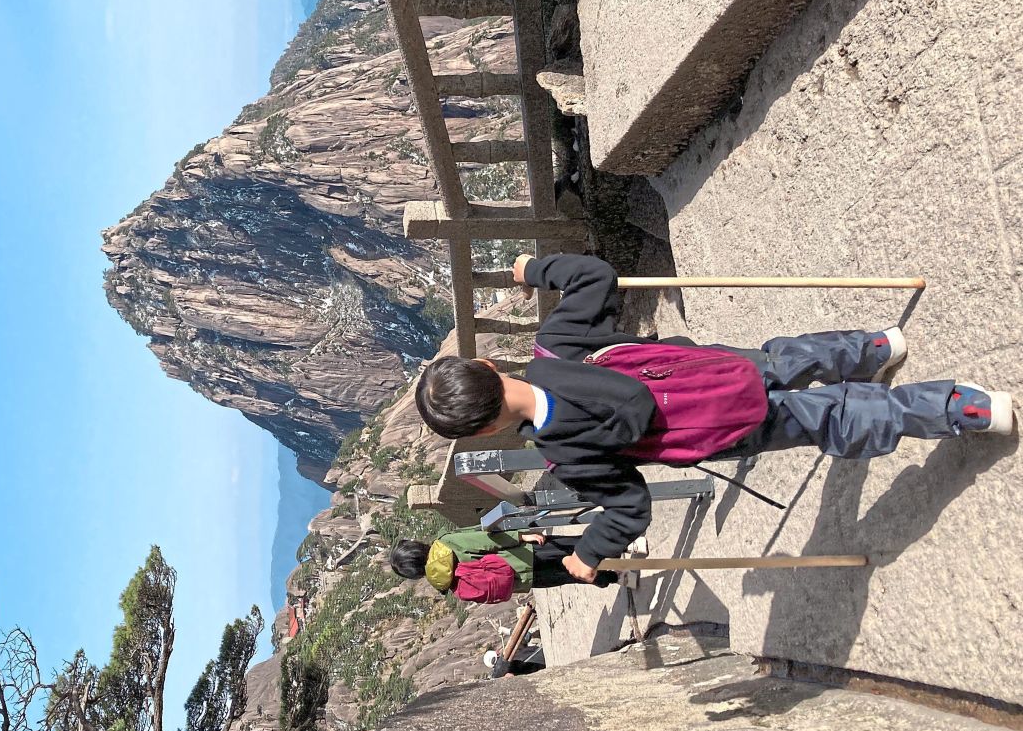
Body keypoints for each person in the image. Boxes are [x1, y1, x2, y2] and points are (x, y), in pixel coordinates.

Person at [413, 253, 1015, 584]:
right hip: (709, 370)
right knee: (784, 359)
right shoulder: (556, 345)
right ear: (489, 364)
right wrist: (532, 271)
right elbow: (593, 276)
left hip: (720, 431)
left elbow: (629, 507)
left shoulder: (566, 456)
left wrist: (590, 552)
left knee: (820, 418)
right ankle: (878, 347)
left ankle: (960, 408)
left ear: (484, 430)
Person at [388, 526, 616, 603]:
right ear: (417, 547)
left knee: (570, 574)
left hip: (526, 580)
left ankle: (614, 577)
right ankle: (623, 545)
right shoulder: (446, 543)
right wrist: (521, 536)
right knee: (574, 548)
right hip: (525, 554)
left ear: (416, 574)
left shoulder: (445, 585)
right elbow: (487, 540)